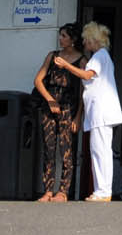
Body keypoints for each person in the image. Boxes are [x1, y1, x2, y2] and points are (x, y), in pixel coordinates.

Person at [53, 20, 122, 201]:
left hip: (101, 112)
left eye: (85, 39)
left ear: (93, 40)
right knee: (100, 151)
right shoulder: (102, 56)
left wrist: (66, 65)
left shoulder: (99, 57)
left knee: (100, 151)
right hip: (101, 112)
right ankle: (103, 190)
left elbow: (86, 75)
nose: (83, 42)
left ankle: (102, 191)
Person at [32, 21, 84, 202]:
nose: (60, 39)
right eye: (60, 35)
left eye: (64, 36)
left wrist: (78, 116)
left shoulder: (81, 60)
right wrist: (49, 99)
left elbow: (83, 91)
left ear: (73, 39)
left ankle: (63, 191)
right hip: (50, 105)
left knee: (66, 149)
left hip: (69, 107)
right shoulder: (52, 56)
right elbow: (38, 80)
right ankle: (48, 190)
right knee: (49, 148)